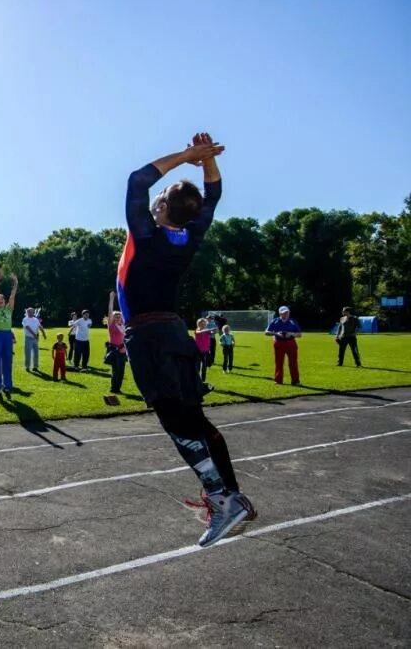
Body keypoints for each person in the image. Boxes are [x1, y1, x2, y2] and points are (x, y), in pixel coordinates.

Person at [118, 132, 255, 547]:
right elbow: (213, 195)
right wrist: (207, 162)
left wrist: (189, 157)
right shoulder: (188, 237)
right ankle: (231, 495)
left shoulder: (147, 236)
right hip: (175, 335)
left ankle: (220, 498)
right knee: (195, 421)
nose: (153, 199)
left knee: (179, 425)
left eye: (159, 199)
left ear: (161, 208)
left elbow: (137, 180)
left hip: (150, 338)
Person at [0, 270, 19, 399]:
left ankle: (8, 385)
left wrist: (15, 283)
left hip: (7, 335)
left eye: (2, 298)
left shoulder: (8, 309)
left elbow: (12, 296)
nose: (0, 300)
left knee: (8, 361)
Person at [265, 306, 302, 385]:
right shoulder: (275, 321)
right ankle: (278, 380)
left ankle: (295, 381)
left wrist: (291, 334)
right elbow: (266, 332)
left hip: (291, 343)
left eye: (287, 312)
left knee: (293, 363)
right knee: (279, 363)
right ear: (280, 314)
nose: (286, 314)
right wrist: (276, 333)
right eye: (284, 313)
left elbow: (299, 334)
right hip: (279, 343)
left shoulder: (293, 321)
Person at [104, 292, 127, 394]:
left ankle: (118, 389)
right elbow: (110, 311)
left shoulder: (123, 326)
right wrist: (111, 298)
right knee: (115, 370)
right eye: (116, 316)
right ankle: (114, 388)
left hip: (122, 350)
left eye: (119, 316)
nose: (118, 318)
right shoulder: (111, 326)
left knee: (121, 371)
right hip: (114, 349)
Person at [21, 307, 47, 372]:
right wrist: (34, 335)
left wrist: (44, 333)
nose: (32, 313)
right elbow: (27, 327)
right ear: (27, 312)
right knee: (28, 353)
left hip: (35, 339)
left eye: (32, 312)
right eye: (30, 312)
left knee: (36, 353)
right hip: (28, 338)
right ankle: (27, 367)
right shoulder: (25, 319)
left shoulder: (35, 319)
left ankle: (35, 367)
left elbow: (40, 326)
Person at [194, 318, 211, 383]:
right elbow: (199, 332)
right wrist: (208, 330)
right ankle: (196, 380)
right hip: (198, 351)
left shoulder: (207, 331)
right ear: (198, 324)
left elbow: (215, 332)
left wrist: (215, 330)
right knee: (197, 366)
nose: (203, 325)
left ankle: (202, 381)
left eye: (204, 324)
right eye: (201, 324)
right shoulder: (197, 330)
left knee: (204, 367)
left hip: (206, 351)